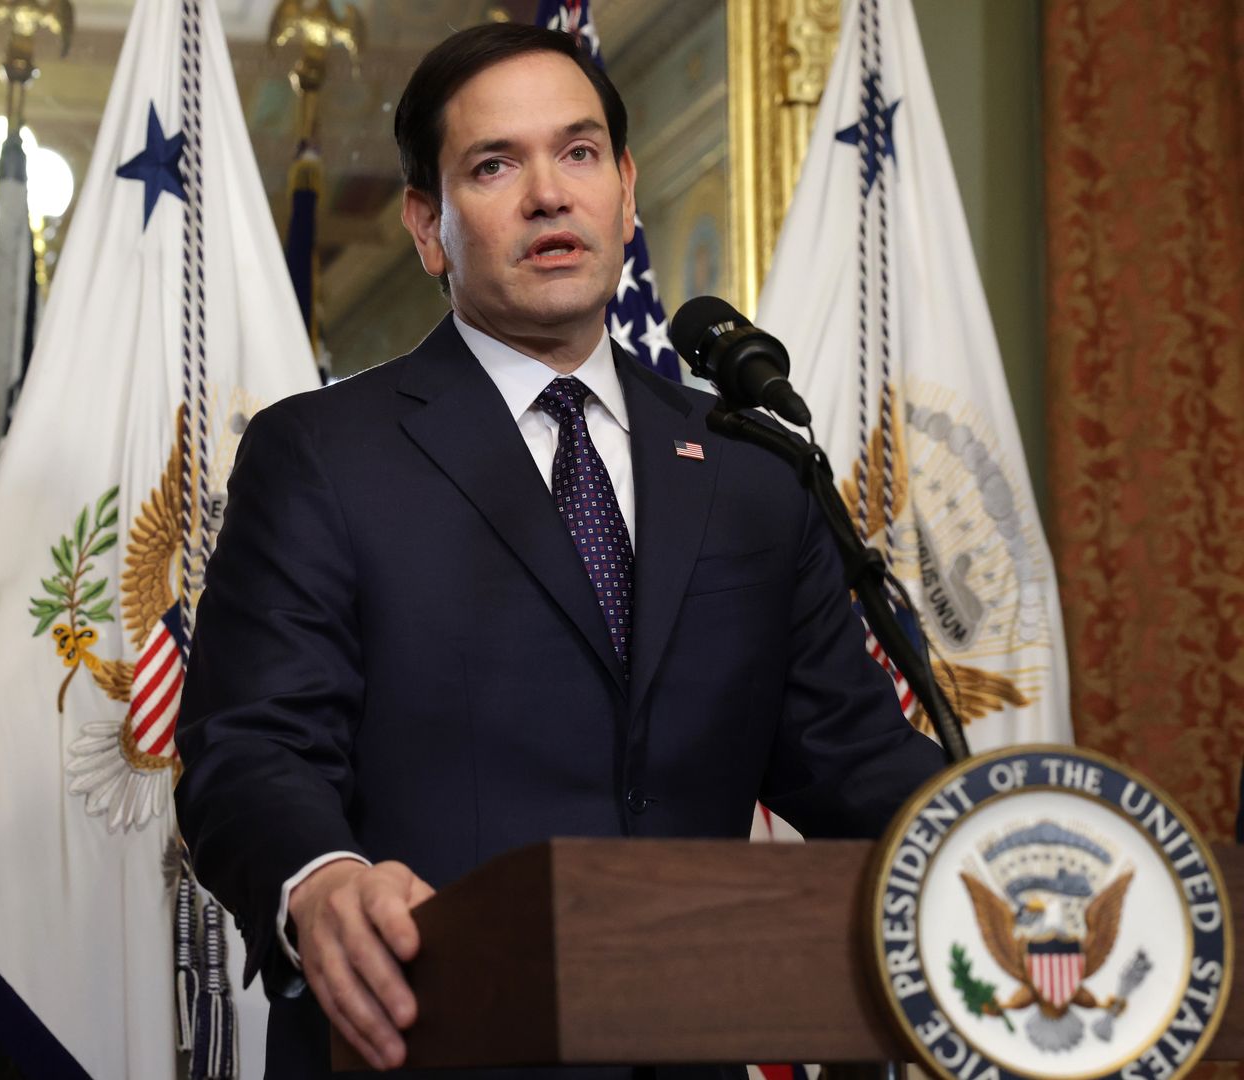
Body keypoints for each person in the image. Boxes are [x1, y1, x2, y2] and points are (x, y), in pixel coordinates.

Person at [174, 22, 945, 1078]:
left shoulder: (750, 466)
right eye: (495, 165)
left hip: (691, 1044)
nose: (549, 194)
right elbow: (250, 750)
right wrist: (320, 875)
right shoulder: (321, 455)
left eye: (579, 153)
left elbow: (855, 761)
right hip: (428, 1041)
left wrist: (1016, 856)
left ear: (626, 190)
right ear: (427, 227)